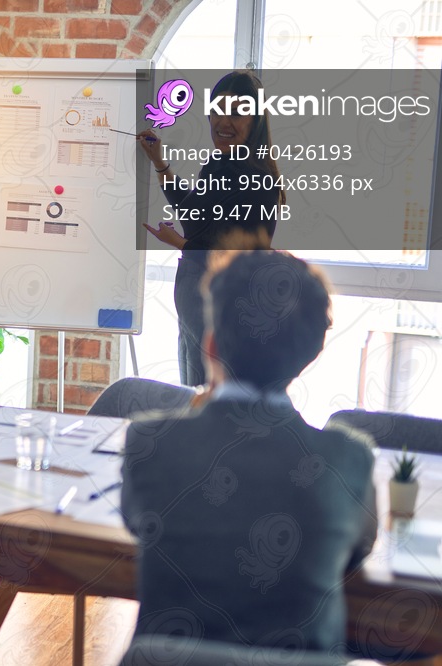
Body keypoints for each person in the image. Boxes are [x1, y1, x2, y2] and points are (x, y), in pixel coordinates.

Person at [120, 249, 377, 651]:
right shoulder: (348, 460)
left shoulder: (149, 442)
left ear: (210, 343)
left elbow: (141, 526)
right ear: (311, 355)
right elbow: (354, 555)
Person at [137, 70, 285, 386]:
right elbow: (195, 214)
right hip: (196, 296)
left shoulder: (258, 178)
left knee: (208, 396)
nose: (223, 122)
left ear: (255, 120)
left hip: (220, 303)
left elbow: (236, 256)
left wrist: (179, 242)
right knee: (193, 391)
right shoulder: (220, 164)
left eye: (236, 113)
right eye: (217, 111)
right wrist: (160, 163)